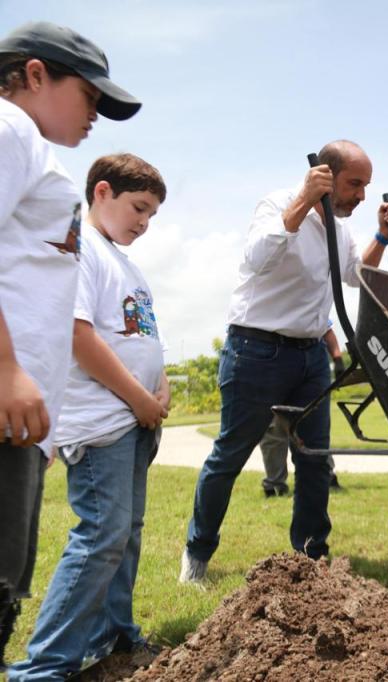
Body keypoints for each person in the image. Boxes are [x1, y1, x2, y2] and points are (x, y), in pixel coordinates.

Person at [180, 139, 388, 583]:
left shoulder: (340, 230)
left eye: (367, 186)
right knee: (231, 454)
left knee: (315, 460)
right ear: (326, 175)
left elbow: (357, 275)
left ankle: (310, 559)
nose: (361, 195)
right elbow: (256, 259)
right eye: (354, 184)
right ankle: (197, 553)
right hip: (256, 351)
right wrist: (304, 200)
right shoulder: (279, 203)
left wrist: (383, 235)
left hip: (309, 357)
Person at [0, 22, 140, 670]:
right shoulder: (9, 128)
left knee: (6, 587)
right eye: (89, 96)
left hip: (23, 420)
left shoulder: (32, 148)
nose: (94, 117)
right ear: (34, 76)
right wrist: (5, 369)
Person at [8, 154, 166, 680]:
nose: (144, 222)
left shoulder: (125, 261)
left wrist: (159, 388)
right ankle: (46, 667)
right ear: (102, 192)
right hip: (102, 425)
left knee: (125, 534)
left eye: (152, 214)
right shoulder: (82, 249)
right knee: (101, 536)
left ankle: (113, 637)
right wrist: (140, 400)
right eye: (138, 207)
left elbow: (138, 335)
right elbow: (79, 338)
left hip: (136, 421)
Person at [259, 327, 344, 497]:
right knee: (273, 430)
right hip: (270, 363)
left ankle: (325, 477)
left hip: (308, 363)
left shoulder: (307, 305)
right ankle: (274, 485)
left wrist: (338, 358)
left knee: (313, 428)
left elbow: (326, 329)